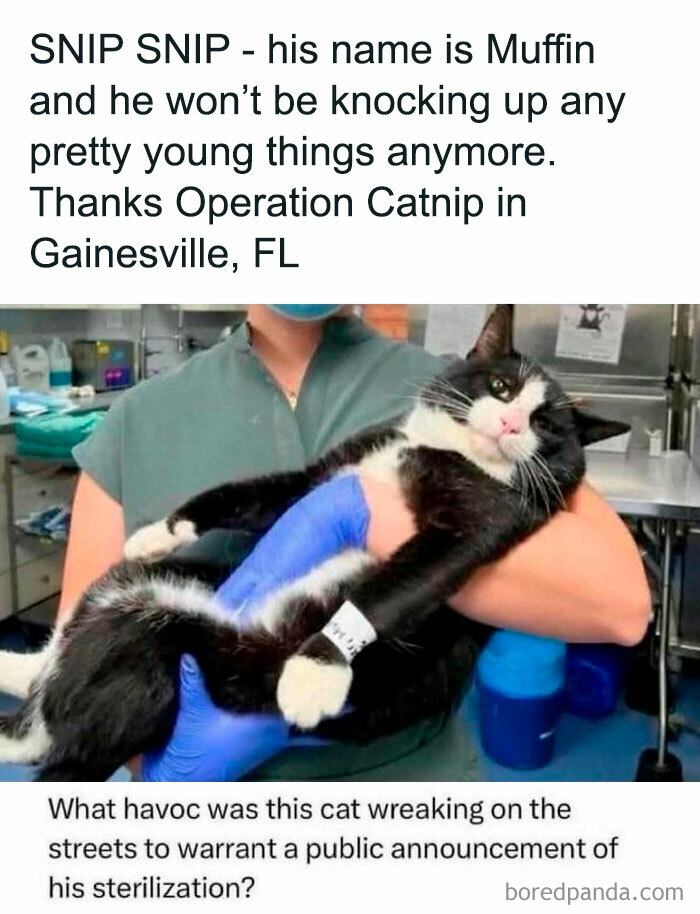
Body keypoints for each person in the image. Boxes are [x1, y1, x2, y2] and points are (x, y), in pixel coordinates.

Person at [62, 304, 650, 781]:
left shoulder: (451, 387)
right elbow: (74, 676)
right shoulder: (135, 419)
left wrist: (369, 515)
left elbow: (621, 608)